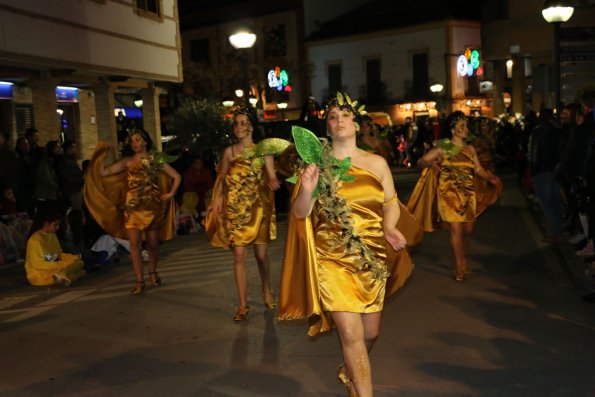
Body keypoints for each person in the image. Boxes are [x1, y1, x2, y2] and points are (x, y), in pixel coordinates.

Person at [277, 92, 415, 397]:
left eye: (345, 116)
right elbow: (301, 214)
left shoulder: (376, 163)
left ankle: (351, 370)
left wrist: (390, 226)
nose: (339, 121)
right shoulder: (315, 165)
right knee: (351, 335)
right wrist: (307, 189)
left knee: (370, 333)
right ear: (327, 127)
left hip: (370, 258)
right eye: (332, 117)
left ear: (356, 123)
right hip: (331, 258)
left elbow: (391, 202)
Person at [205, 107, 283, 321]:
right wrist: (217, 199)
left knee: (261, 255)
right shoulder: (229, 152)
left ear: (251, 126)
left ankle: (266, 288)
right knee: (239, 255)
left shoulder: (263, 150)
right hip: (236, 209)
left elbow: (271, 175)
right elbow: (221, 179)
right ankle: (242, 305)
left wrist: (272, 180)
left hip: (258, 209)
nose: (239, 126)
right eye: (236, 123)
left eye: (243, 122)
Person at [407, 111, 502, 281]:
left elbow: (478, 169)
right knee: (456, 229)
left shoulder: (470, 149)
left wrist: (491, 178)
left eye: (466, 126)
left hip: (467, 194)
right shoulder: (444, 147)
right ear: (453, 130)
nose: (466, 129)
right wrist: (431, 163)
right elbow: (421, 162)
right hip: (449, 194)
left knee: (468, 230)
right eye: (462, 126)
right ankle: (459, 266)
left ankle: (462, 257)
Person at [84, 130, 181, 295]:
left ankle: (153, 272)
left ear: (145, 142)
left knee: (152, 244)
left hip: (151, 207)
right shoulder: (127, 162)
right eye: (132, 141)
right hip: (132, 208)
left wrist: (171, 193)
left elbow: (176, 176)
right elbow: (104, 173)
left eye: (138, 140)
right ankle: (139, 280)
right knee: (134, 246)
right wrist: (101, 154)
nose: (134, 143)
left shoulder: (155, 159)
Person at [24, 210, 85, 286]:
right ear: (46, 223)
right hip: (40, 272)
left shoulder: (52, 234)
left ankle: (61, 276)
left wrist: (72, 258)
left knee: (80, 263)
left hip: (53, 267)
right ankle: (60, 276)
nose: (57, 228)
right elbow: (38, 264)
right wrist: (61, 265)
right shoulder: (35, 240)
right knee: (77, 272)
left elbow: (58, 254)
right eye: (55, 225)